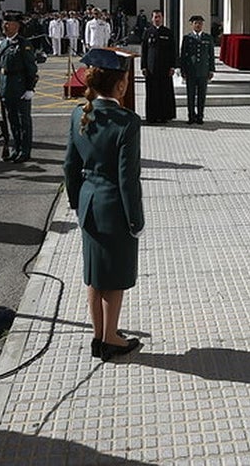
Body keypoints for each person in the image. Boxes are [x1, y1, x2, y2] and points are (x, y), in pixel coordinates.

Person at [63, 49, 145, 362]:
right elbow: (128, 180)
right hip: (115, 209)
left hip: (89, 204)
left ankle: (99, 335)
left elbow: (69, 166)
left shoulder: (77, 115)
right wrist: (135, 221)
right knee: (114, 277)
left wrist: (77, 202)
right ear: (121, 85)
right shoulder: (126, 121)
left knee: (95, 274)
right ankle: (111, 338)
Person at [0, 11, 38, 162]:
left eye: (9, 23)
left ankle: (25, 151)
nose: (5, 26)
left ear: (17, 26)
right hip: (7, 86)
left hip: (20, 86)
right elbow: (0, 67)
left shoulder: (23, 45)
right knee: (12, 120)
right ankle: (16, 148)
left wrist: (30, 88)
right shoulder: (2, 43)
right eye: (4, 23)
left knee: (23, 121)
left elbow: (31, 68)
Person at [179, 14, 215, 125]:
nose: (198, 25)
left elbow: (211, 55)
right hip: (191, 71)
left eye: (200, 23)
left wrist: (211, 70)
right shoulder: (187, 38)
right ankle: (191, 116)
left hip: (203, 71)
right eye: (196, 23)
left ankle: (200, 116)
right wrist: (182, 70)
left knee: (201, 95)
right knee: (190, 95)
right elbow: (183, 56)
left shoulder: (208, 38)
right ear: (192, 25)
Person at [141, 9, 176, 124]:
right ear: (152, 19)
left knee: (164, 92)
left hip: (165, 69)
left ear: (162, 18)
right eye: (155, 17)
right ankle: (152, 116)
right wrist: (143, 67)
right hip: (151, 69)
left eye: (159, 17)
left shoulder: (168, 32)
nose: (157, 19)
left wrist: (172, 66)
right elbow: (144, 51)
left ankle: (164, 116)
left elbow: (173, 51)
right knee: (152, 93)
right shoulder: (147, 32)